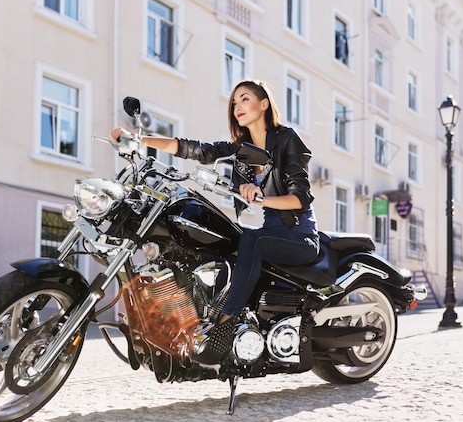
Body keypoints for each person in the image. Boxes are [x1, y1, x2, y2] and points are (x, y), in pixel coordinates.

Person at [110, 79, 319, 365]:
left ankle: (225, 325)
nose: (237, 107)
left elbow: (300, 198)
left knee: (251, 238)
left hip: (299, 236)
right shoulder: (241, 150)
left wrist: (261, 198)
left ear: (264, 104)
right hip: (271, 232)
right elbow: (195, 150)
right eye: (234, 103)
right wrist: (138, 139)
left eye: (245, 99)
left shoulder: (286, 139)